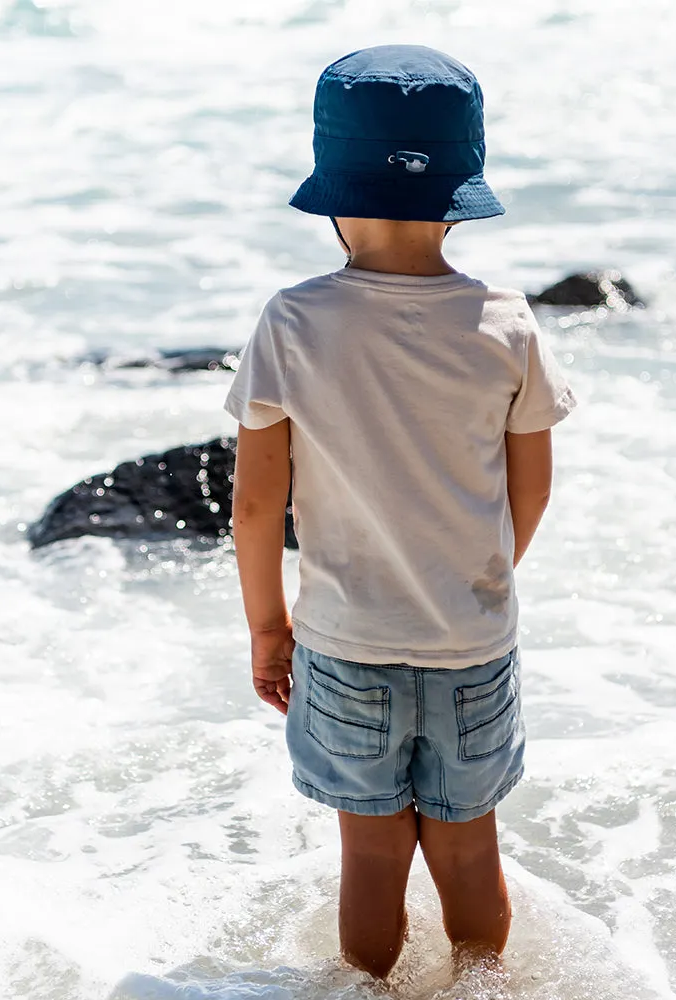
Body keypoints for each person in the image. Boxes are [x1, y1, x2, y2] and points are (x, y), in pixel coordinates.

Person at [223, 44, 576, 980]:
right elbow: (530, 486)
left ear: (333, 188)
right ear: (463, 182)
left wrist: (269, 630)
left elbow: (258, 503)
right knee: (470, 853)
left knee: (371, 858)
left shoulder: (293, 321)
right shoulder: (506, 322)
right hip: (469, 639)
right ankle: (481, 987)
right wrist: (481, 576)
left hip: (346, 644)